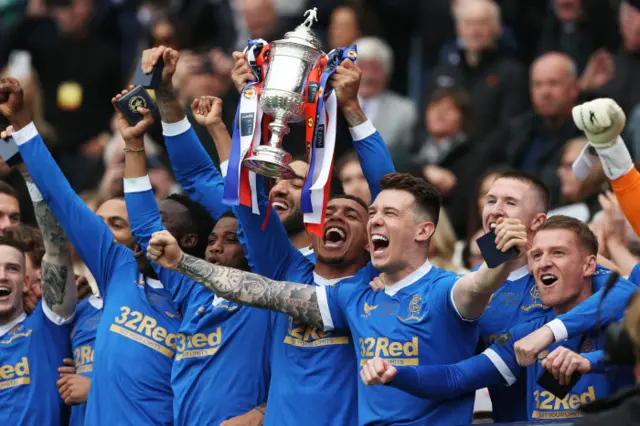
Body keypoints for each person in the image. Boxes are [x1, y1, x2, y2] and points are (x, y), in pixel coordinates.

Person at [146, 172, 530, 425]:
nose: (375, 220)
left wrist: (501, 252)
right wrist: (183, 262)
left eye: (390, 214)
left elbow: (480, 284)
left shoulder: (446, 290)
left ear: (423, 230)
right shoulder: (354, 297)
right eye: (374, 212)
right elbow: (262, 292)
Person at [153, 44, 393, 426]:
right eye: (276, 180)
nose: (279, 189)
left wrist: (351, 108)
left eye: (296, 182)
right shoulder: (279, 265)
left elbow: (391, 197)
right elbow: (238, 192)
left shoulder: (370, 281)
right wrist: (247, 102)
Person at [0, 75, 208, 425]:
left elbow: (197, 395)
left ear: (188, 242)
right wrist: (22, 124)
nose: (147, 231)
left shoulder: (198, 295)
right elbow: (64, 200)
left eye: (160, 224)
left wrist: (98, 387)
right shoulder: (120, 269)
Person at [360, 216, 635, 421]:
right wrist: (396, 374)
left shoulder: (623, 322)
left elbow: (629, 294)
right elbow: (456, 377)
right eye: (536, 255)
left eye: (558, 253)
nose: (543, 263)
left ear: (589, 265)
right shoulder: (524, 335)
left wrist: (587, 361)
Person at [115, 78, 271, 424]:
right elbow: (145, 229)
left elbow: (244, 202)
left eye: (231, 240)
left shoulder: (267, 291)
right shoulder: (192, 290)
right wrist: (133, 144)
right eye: (213, 239)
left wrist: (262, 412)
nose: (216, 246)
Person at [0, 83, 79, 424]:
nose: (2, 276)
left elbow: (57, 250)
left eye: (13, 269)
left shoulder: (46, 326)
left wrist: (28, 176)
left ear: (30, 279)